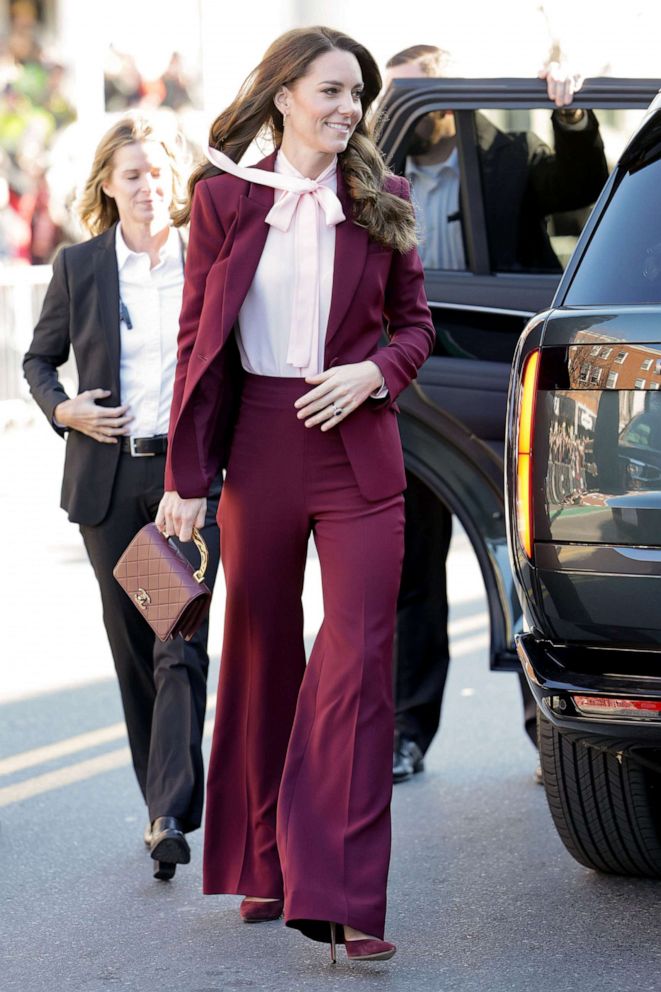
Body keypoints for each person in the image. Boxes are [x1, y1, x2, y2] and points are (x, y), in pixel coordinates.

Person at [157, 25, 434, 963]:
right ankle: (266, 862)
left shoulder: (382, 197)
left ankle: (347, 894)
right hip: (262, 446)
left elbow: (415, 325)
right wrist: (184, 482)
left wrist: (374, 375)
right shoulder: (226, 199)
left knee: (356, 662)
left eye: (355, 93)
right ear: (282, 95)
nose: (347, 108)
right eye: (329, 90)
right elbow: (200, 343)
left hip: (359, 450)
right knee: (262, 653)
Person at [383, 45, 609, 782]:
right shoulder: (374, 177)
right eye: (398, 97)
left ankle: (545, 735)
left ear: (450, 98)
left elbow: (578, 185)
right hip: (411, 396)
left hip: (492, 377)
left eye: (421, 95)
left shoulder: (505, 153)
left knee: (528, 562)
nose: (410, 110)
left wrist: (571, 115)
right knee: (409, 575)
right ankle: (405, 733)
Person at [23, 114, 221, 880]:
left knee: (180, 638)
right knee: (138, 648)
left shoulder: (203, 261)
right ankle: (158, 804)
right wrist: (63, 408)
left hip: (187, 480)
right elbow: (38, 361)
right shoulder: (81, 266)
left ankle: (171, 810)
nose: (149, 185)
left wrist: (202, 476)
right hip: (110, 481)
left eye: (160, 171)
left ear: (176, 180)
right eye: (132, 173)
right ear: (108, 182)